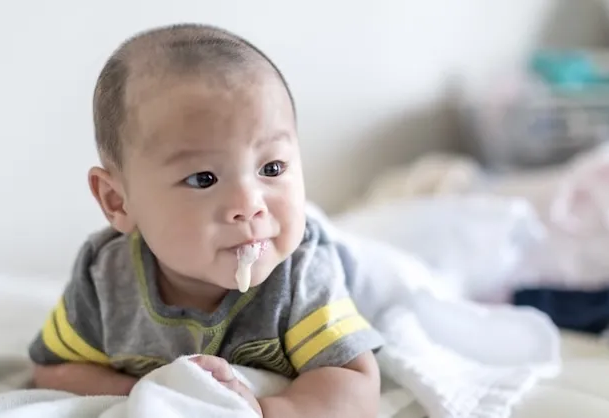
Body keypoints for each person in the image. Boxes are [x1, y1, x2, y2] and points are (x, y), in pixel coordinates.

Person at [28, 23, 383, 417]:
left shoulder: (299, 275)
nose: (249, 205)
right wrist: (159, 392)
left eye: (272, 168)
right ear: (118, 202)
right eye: (203, 179)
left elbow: (355, 386)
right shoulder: (105, 279)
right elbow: (54, 369)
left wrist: (259, 409)